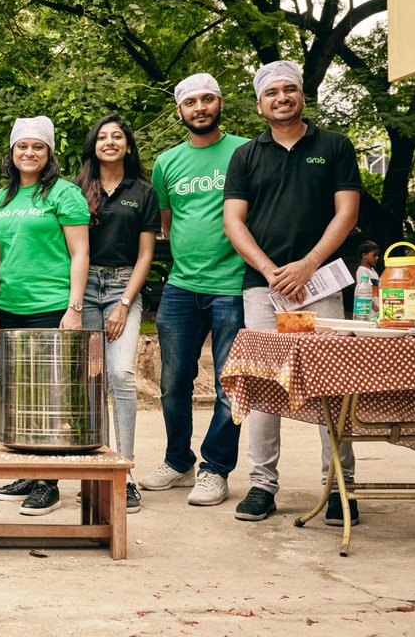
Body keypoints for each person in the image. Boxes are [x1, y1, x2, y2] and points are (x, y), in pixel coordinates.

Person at [223, 60, 362, 524]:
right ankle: (262, 486)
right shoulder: (245, 155)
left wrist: (307, 266)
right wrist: (271, 271)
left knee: (332, 385)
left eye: (289, 90)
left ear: (301, 95)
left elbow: (345, 213)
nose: (281, 98)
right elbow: (233, 222)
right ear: (259, 104)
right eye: (271, 93)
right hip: (263, 293)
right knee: (263, 387)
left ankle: (341, 487)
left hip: (321, 285)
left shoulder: (335, 146)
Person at [138, 73, 249, 507]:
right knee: (173, 380)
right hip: (182, 285)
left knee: (230, 383)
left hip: (235, 285)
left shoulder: (245, 151)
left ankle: (215, 469)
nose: (199, 108)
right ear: (180, 111)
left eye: (207, 99)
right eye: (190, 102)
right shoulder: (167, 162)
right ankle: (177, 459)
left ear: (220, 103)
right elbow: (167, 223)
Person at [0, 117, 89, 515]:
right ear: (12, 153)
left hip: (51, 305)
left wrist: (74, 308)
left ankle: (50, 483)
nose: (29, 153)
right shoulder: (2, 198)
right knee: (20, 396)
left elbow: (80, 253)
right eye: (22, 147)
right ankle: (30, 470)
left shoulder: (65, 194)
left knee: (51, 398)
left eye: (38, 147)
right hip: (10, 306)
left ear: (49, 154)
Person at [75, 114, 160, 514]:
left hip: (123, 287)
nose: (110, 142)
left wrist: (125, 303)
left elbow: (147, 254)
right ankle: (96, 467)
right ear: (93, 146)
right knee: (90, 379)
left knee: (121, 374)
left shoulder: (143, 190)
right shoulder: (77, 189)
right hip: (85, 287)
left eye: (118, 136)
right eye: (102, 137)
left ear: (128, 145)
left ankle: (123, 471)